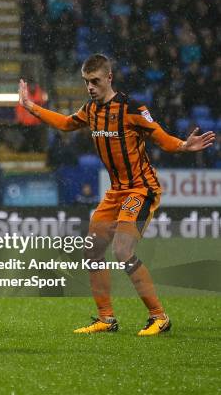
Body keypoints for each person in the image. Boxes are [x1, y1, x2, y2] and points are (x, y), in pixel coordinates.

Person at [18, 54, 215, 336]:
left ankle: (159, 317)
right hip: (116, 192)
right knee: (93, 250)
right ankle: (106, 319)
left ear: (109, 78)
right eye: (86, 82)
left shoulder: (132, 108)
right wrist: (29, 105)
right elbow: (64, 123)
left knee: (122, 251)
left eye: (95, 81)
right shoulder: (90, 110)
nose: (90, 87)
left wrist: (184, 145)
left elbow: (159, 136)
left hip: (141, 188)